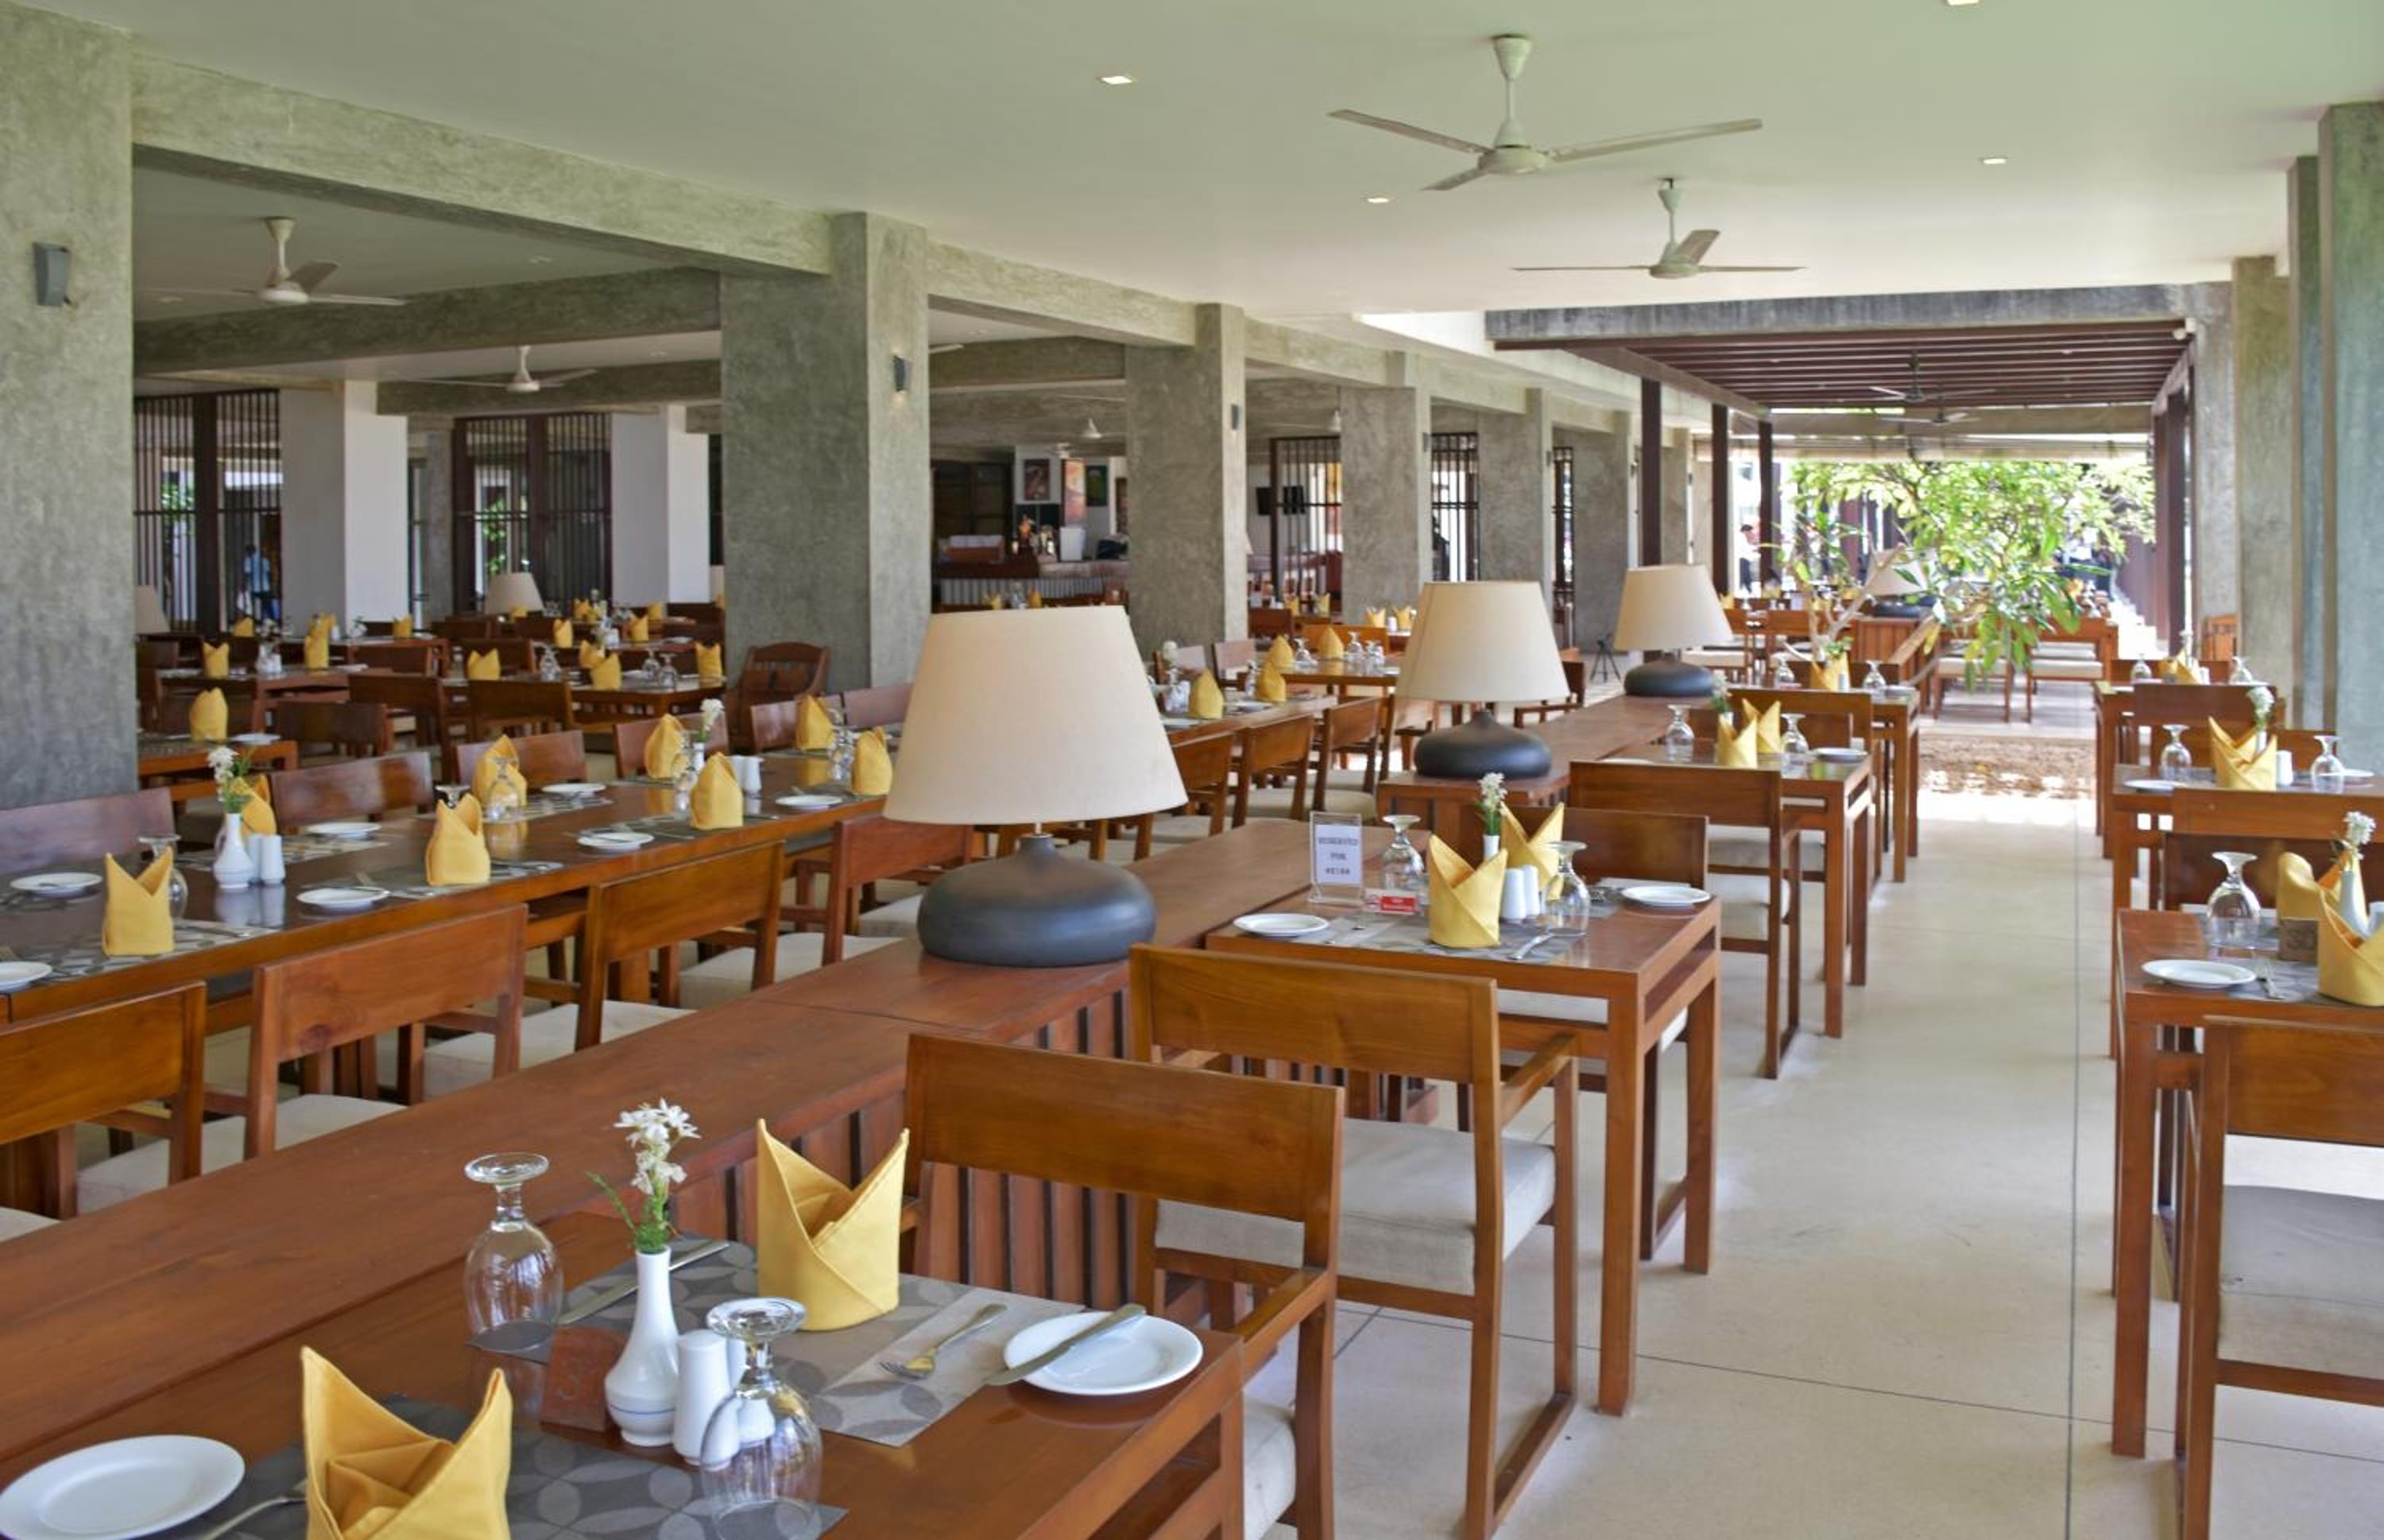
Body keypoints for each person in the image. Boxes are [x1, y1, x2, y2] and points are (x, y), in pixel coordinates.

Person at [240, 544, 279, 623]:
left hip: (253, 588)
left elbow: (247, 574)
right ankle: (272, 623)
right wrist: (272, 586)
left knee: (250, 607)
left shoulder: (248, 561)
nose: (247, 554)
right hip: (265, 587)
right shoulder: (264, 560)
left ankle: (252, 622)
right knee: (268, 607)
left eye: (247, 552)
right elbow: (269, 575)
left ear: (249, 552)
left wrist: (242, 585)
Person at [1736, 522, 1759, 594]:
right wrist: (1755, 547)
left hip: (1744, 562)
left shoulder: (1742, 538)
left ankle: (1750, 591)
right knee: (1745, 580)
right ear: (1746, 532)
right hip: (1742, 561)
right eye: (1751, 532)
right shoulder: (1741, 537)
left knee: (1746, 581)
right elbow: (1747, 550)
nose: (1752, 534)